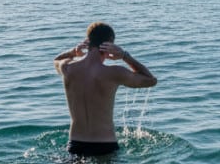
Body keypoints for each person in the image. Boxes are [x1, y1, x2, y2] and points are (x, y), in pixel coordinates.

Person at [54, 22, 157, 157]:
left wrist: (73, 52)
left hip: (75, 144)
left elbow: (56, 60)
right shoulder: (114, 73)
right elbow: (150, 80)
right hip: (105, 145)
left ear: (88, 42)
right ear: (110, 45)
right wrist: (125, 56)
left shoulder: (68, 69)